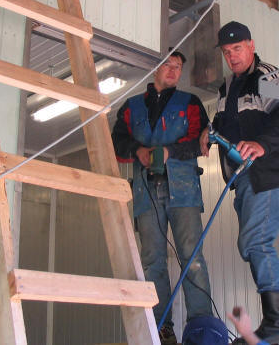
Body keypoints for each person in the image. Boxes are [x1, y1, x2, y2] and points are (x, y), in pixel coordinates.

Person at [200, 21, 279, 344]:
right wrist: (209, 133)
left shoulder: (269, 76)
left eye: (237, 49)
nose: (232, 56)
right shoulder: (227, 88)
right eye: (227, 52)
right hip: (243, 179)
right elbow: (225, 123)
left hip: (268, 172)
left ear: (251, 46)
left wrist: (262, 144)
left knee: (255, 241)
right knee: (250, 244)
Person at [111, 51, 213, 345]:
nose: (173, 70)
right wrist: (137, 151)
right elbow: (116, 142)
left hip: (183, 189)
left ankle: (201, 328)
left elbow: (201, 142)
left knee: (192, 257)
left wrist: (170, 152)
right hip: (145, 191)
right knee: (151, 260)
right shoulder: (130, 108)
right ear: (156, 68)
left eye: (178, 67)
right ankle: (161, 329)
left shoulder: (190, 103)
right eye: (168, 65)